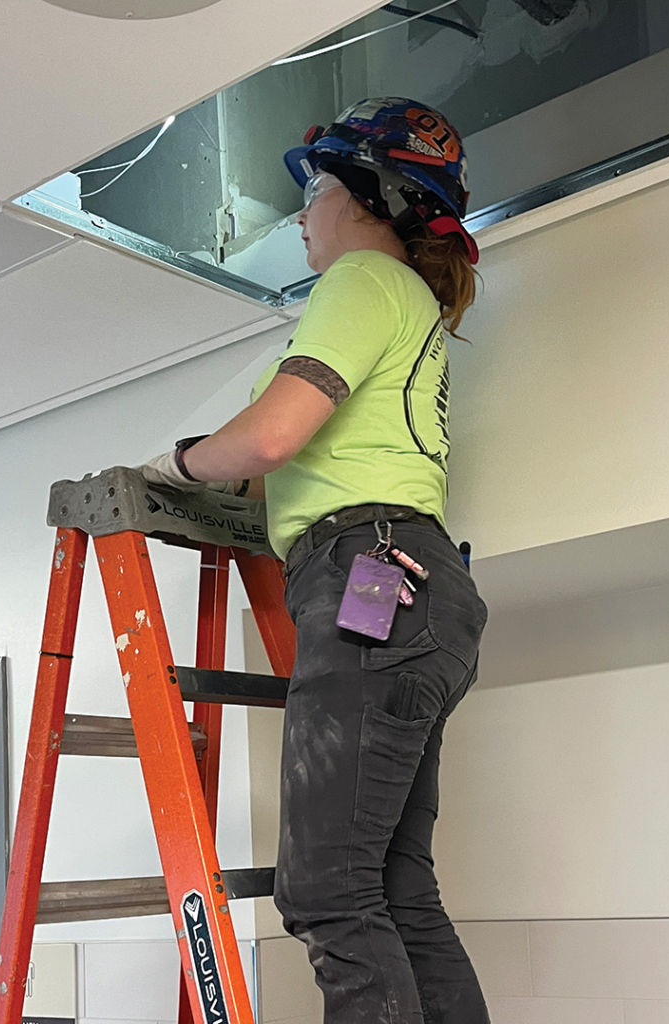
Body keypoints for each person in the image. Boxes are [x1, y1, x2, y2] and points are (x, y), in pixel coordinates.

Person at [141, 98, 490, 1024]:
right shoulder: (403, 302)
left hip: (370, 573)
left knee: (328, 890)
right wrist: (225, 467)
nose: (302, 215)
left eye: (316, 192)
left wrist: (171, 464)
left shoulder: (363, 278)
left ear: (369, 199)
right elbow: (272, 459)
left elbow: (271, 437)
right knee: (395, 890)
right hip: (418, 589)